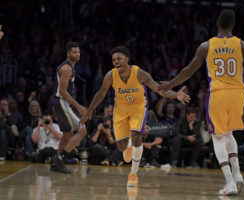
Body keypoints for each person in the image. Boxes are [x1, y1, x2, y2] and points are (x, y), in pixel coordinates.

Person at [158, 9, 244, 196]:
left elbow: (188, 71)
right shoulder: (243, 45)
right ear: (233, 25)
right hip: (238, 94)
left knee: (217, 136)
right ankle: (238, 173)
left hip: (218, 93)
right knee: (228, 133)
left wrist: (169, 84)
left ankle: (230, 181)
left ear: (217, 24)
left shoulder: (206, 46)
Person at [80, 46, 190, 187]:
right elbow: (101, 94)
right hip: (120, 110)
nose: (116, 62)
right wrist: (89, 111)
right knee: (121, 147)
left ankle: (133, 174)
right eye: (113, 60)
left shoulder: (139, 73)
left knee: (137, 134)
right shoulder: (110, 75)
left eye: (119, 58)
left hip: (138, 107)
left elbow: (158, 89)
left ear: (127, 59)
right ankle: (129, 144)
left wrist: (176, 95)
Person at [51, 42, 87, 173]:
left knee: (68, 132)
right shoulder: (67, 68)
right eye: (74, 52)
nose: (77, 55)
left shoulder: (71, 67)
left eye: (78, 52)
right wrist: (78, 106)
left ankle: (57, 160)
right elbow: (63, 91)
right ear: (68, 53)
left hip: (61, 102)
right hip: (61, 102)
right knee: (82, 130)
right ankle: (60, 158)